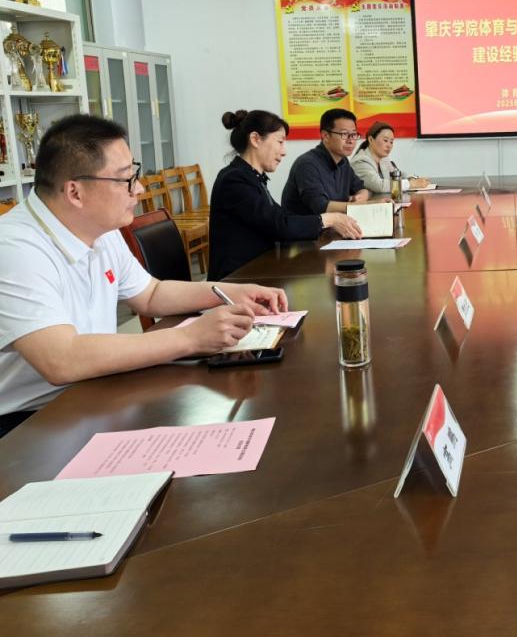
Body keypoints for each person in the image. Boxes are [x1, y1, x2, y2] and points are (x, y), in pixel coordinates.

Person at [0, 114, 287, 437]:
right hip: (26, 423)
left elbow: (150, 295)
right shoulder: (14, 248)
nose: (139, 188)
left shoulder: (99, 228)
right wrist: (190, 339)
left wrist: (232, 291)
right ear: (75, 193)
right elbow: (61, 359)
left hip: (91, 391)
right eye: (126, 179)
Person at [208, 109, 361, 281]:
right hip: (237, 279)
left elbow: (282, 216)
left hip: (259, 270)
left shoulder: (251, 176)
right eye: (280, 142)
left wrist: (327, 222)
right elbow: (278, 225)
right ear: (255, 139)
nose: (284, 152)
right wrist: (329, 219)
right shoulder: (235, 180)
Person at [282, 108, 370, 215]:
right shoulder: (307, 164)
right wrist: (358, 206)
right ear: (325, 136)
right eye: (344, 134)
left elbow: (361, 188)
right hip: (307, 225)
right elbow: (320, 206)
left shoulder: (343, 161)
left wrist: (360, 197)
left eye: (354, 134)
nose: (351, 140)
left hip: (334, 223)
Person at [350, 121, 431, 193]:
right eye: (385, 140)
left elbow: (398, 176)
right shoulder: (360, 161)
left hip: (382, 201)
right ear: (371, 139)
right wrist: (411, 184)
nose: (389, 145)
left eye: (391, 142)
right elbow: (380, 186)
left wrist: (413, 179)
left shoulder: (384, 159)